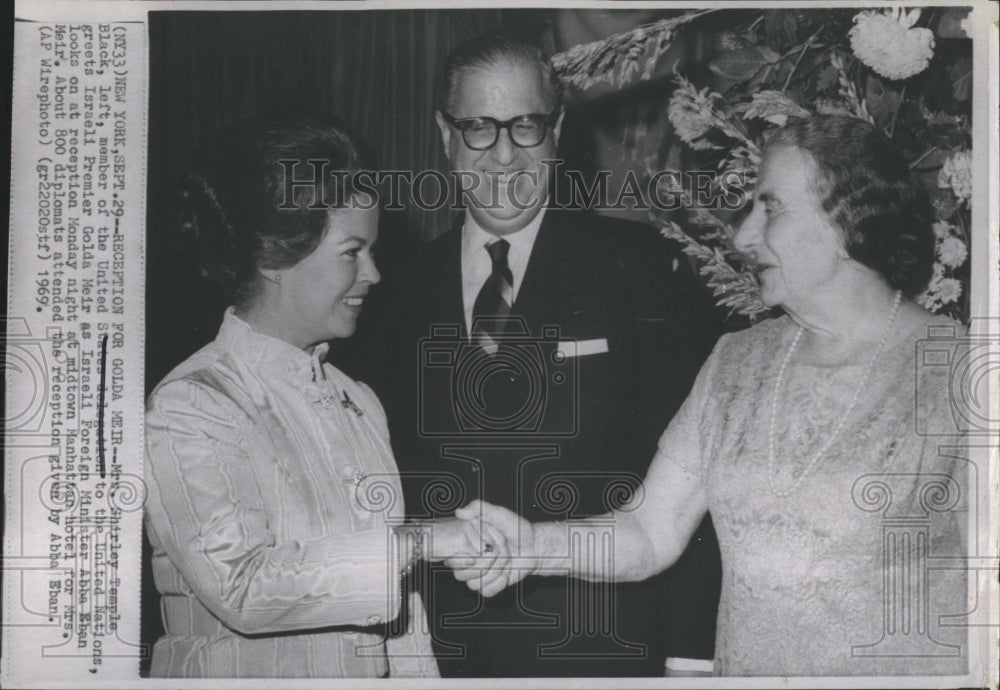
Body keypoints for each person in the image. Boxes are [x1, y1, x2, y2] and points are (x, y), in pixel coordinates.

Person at [456, 115, 969, 676]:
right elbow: (649, 532)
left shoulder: (957, 371)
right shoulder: (735, 363)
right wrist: (534, 546)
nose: (742, 235)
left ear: (848, 218)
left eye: (769, 208)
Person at [356, 30, 722, 677]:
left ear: (556, 132)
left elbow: (697, 487)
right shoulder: (389, 292)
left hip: (603, 648)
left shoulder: (641, 269)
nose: (503, 156)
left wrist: (690, 658)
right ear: (446, 134)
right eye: (479, 128)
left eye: (525, 126)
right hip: (441, 653)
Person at [143, 116, 506, 678]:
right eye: (351, 252)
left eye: (373, 250)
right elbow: (244, 588)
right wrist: (418, 541)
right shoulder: (192, 406)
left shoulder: (357, 400)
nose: (375, 273)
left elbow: (399, 624)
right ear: (274, 258)